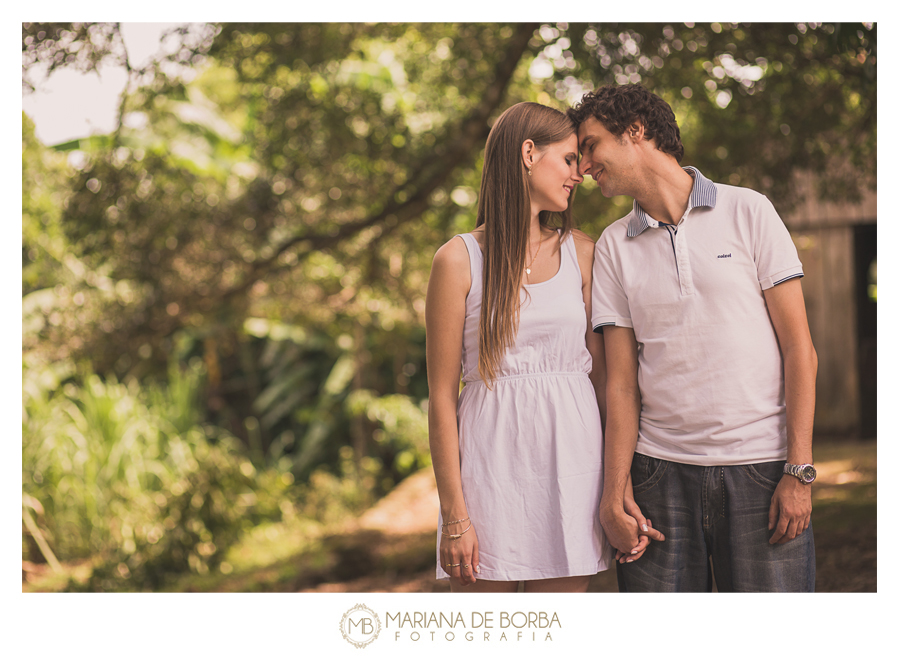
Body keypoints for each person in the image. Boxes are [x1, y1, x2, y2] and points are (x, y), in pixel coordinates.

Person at [567, 84, 818, 592]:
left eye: (591, 145)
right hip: (659, 478)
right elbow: (620, 384)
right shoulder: (615, 245)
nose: (583, 165)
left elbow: (800, 350)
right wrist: (614, 495)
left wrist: (800, 470)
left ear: (635, 130)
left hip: (762, 470)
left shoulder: (749, 211)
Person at [425, 102, 644, 592]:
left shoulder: (584, 253)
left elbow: (608, 383)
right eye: (569, 159)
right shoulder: (457, 261)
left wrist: (617, 488)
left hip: (574, 472)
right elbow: (441, 397)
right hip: (488, 477)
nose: (579, 173)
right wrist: (454, 514)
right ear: (528, 153)